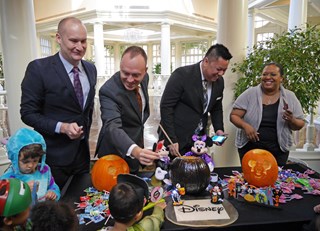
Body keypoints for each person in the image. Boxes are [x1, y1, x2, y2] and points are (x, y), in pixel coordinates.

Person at [20, 17, 97, 189]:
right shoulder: (38, 69)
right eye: (73, 41)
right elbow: (28, 113)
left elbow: (85, 111)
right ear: (59, 38)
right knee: (54, 209)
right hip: (53, 158)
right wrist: (62, 127)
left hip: (82, 156)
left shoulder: (91, 69)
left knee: (81, 203)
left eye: (83, 41)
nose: (80, 46)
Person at [95, 46, 161, 174]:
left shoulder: (145, 79)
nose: (130, 80)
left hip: (135, 149)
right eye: (125, 73)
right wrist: (135, 151)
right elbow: (112, 127)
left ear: (145, 71)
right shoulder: (108, 91)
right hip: (113, 154)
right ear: (120, 67)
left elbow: (139, 116)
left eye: (136, 75)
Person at [159, 43, 233, 156]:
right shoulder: (181, 75)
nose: (221, 74)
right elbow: (166, 107)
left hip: (197, 142)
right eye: (219, 69)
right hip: (175, 140)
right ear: (206, 61)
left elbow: (216, 107)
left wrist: (219, 129)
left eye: (224, 70)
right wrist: (171, 139)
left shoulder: (219, 82)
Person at [230, 62, 305, 166]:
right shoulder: (250, 93)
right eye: (264, 74)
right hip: (250, 147)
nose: (267, 77)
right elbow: (234, 115)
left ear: (281, 78)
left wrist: (292, 120)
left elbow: (300, 124)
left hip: (278, 150)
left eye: (273, 74)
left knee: (275, 180)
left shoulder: (290, 97)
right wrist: (245, 125)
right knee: (250, 179)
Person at [0, 128, 60, 202]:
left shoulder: (44, 170)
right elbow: (4, 201)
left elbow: (53, 186)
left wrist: (53, 193)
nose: (31, 165)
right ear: (14, 159)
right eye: (25, 162)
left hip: (43, 210)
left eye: (35, 161)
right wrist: (23, 189)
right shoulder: (8, 178)